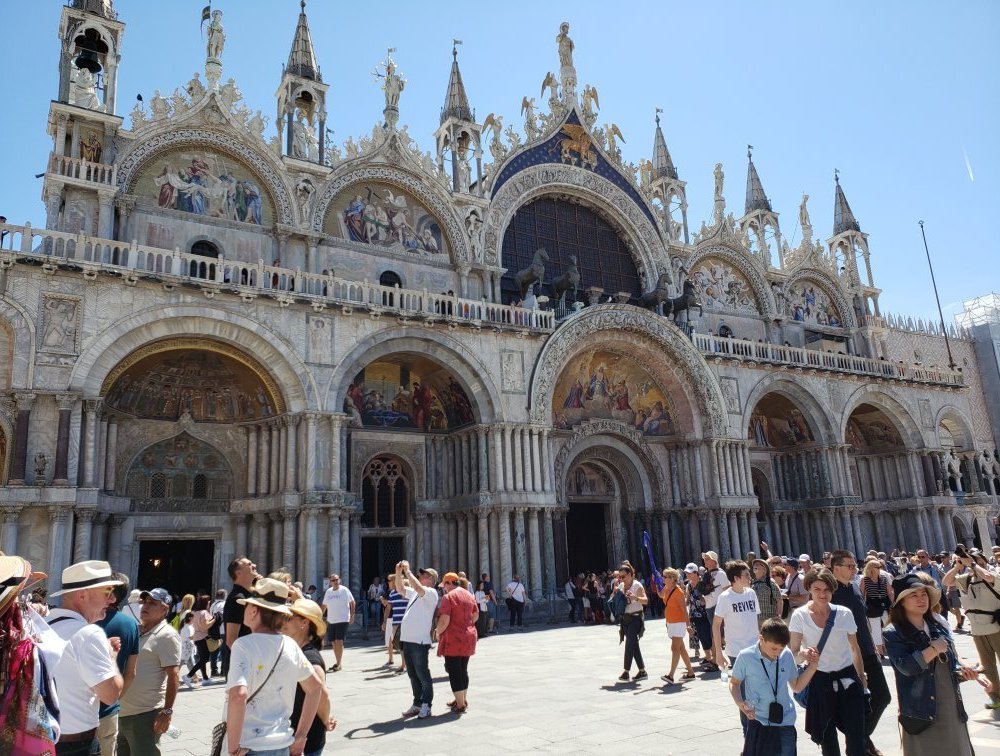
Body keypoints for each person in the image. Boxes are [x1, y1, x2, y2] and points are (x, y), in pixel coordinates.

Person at [884, 573, 993, 755]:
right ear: (901, 601)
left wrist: (968, 673)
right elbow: (906, 667)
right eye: (914, 595)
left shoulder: (937, 624)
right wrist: (933, 649)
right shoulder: (893, 632)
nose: (921, 599)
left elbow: (950, 663)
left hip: (950, 704)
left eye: (924, 594)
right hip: (921, 709)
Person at [225, 578, 322, 756]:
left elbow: (238, 695)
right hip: (281, 744)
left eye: (246, 606)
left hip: (249, 745)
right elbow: (315, 688)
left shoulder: (243, 645)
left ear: (254, 611)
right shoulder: (291, 645)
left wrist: (232, 748)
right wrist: (300, 737)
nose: (244, 610)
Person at [47, 560, 125, 755]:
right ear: (82, 595)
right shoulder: (88, 633)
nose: (113, 599)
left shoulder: (44, 624)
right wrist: (112, 658)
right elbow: (110, 694)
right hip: (76, 746)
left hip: (42, 741)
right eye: (107, 592)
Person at [789, 568, 867, 756]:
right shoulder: (799, 615)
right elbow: (793, 652)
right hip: (819, 680)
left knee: (856, 735)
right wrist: (804, 653)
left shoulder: (844, 613)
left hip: (847, 677)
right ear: (809, 589)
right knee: (827, 737)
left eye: (826, 590)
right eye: (817, 589)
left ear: (832, 590)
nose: (822, 594)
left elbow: (855, 648)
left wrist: (862, 677)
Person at [830, 550, 892, 756]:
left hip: (867, 651)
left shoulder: (855, 587)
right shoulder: (831, 594)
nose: (854, 569)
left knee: (882, 697)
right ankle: (860, 745)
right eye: (849, 566)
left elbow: (863, 618)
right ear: (835, 568)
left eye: (854, 565)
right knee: (859, 704)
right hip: (850, 657)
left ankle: (861, 738)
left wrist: (874, 643)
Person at [729, 618, 820, 756]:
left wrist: (812, 668)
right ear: (761, 638)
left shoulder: (786, 654)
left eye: (781, 648)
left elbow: (796, 687)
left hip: (785, 721)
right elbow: (734, 683)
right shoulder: (746, 656)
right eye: (774, 648)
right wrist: (740, 703)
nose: (777, 653)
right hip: (759, 721)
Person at [117, 588, 180, 756]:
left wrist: (166, 712)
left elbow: (173, 675)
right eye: (144, 601)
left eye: (152, 603)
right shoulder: (136, 630)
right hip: (122, 712)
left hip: (144, 715)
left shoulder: (167, 635)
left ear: (165, 609)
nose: (145, 606)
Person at [943, 546, 1000, 710]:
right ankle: (995, 696)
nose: (973, 562)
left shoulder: (994, 574)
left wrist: (974, 565)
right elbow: (946, 582)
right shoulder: (966, 579)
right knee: (987, 666)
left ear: (983, 561)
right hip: (977, 630)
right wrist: (958, 566)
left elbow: (988, 576)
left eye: (977, 560)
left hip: (996, 626)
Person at [282, 599, 337, 756]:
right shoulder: (297, 651)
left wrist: (326, 720)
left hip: (306, 741)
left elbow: (322, 694)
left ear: (304, 623)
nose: (283, 622)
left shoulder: (310, 657)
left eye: (289, 618)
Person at [94, 572, 139, 756]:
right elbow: (131, 672)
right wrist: (115, 698)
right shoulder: (130, 625)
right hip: (108, 710)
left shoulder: (87, 619)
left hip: (77, 710)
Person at [393, 562, 439, 719]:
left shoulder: (432, 593)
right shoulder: (414, 593)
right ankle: (417, 703)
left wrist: (408, 572)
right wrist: (398, 573)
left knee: (423, 674)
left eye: (423, 575)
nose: (419, 576)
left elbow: (419, 588)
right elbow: (400, 589)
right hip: (407, 639)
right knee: (412, 674)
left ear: (431, 579)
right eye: (419, 575)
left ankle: (427, 705)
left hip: (419, 641)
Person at [434, 573, 479, 713]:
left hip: (454, 639)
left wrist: (437, 631)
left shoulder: (449, 597)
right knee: (463, 669)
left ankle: (460, 705)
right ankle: (461, 698)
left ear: (449, 583)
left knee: (454, 671)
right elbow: (476, 615)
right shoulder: (469, 595)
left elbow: (444, 620)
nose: (444, 589)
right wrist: (466, 624)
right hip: (469, 636)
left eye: (444, 586)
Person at [223, 556, 261, 678]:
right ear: (238, 573)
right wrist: (250, 662)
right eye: (249, 564)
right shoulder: (237, 599)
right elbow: (231, 640)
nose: (254, 565)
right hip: (243, 666)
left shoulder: (251, 595)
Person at [659, 568, 695, 684]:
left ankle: (670, 675)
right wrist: (656, 583)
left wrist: (688, 625)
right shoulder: (666, 588)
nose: (663, 579)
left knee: (674, 648)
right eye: (663, 576)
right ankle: (690, 673)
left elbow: (684, 610)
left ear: (672, 579)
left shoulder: (678, 592)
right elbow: (661, 595)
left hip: (679, 622)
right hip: (671, 622)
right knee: (681, 648)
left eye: (665, 577)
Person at [614, 561, 648, 682]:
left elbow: (646, 600)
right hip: (626, 619)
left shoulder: (637, 585)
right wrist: (616, 593)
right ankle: (642, 671)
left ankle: (626, 671)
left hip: (636, 618)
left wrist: (635, 598)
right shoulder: (622, 586)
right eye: (620, 577)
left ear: (630, 574)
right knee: (634, 645)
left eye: (623, 576)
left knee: (629, 643)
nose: (621, 579)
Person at [320, 573, 355, 672]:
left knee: (339, 641)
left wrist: (352, 615)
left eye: (336, 580)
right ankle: (337, 662)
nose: (335, 582)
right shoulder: (328, 592)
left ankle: (339, 663)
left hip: (343, 619)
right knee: (334, 643)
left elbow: (352, 602)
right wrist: (318, 616)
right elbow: (324, 605)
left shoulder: (344, 590)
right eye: (333, 580)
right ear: (330, 582)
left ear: (339, 580)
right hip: (331, 620)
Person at [684, 563, 714, 668]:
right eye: (686, 573)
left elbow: (710, 597)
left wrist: (704, 600)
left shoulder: (703, 583)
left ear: (696, 573)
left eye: (689, 573)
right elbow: (687, 600)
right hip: (694, 614)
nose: (687, 574)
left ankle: (712, 658)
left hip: (705, 613)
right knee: (701, 636)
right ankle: (708, 657)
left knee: (708, 636)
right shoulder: (688, 585)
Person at [860, 558, 892, 656]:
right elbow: (862, 594)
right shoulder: (865, 580)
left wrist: (893, 603)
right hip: (872, 605)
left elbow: (889, 592)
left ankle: (890, 647)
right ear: (871, 569)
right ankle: (880, 651)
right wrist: (862, 607)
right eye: (877, 567)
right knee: (875, 629)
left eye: (880, 567)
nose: (880, 569)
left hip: (884, 604)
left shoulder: (883, 578)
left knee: (889, 627)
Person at [186, 595, 217, 687]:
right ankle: (188, 676)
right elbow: (206, 626)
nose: (209, 604)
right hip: (204, 638)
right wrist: (214, 619)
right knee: (205, 659)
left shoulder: (195, 612)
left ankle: (205, 678)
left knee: (202, 659)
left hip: (197, 638)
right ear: (205, 603)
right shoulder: (204, 613)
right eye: (208, 602)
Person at [750, 558, 782, 628]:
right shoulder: (752, 583)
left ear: (764, 570)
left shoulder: (770, 583)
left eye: (759, 564)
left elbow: (779, 600)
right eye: (755, 564)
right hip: (755, 619)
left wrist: (778, 616)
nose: (755, 565)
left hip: (768, 620)